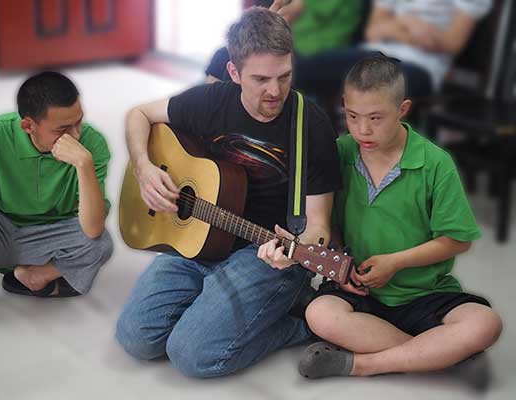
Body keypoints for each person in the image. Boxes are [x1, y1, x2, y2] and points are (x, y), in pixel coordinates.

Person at [116, 7, 342, 378]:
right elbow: (138, 115)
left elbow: (319, 227)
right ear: (234, 73)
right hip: (199, 240)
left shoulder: (310, 125)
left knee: (192, 356)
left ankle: (304, 321)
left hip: (266, 253)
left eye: (285, 76)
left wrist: (296, 250)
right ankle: (229, 306)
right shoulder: (211, 101)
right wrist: (144, 168)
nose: (275, 90)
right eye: (261, 79)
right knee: (136, 337)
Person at [295, 56, 502, 379]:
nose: (363, 129)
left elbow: (457, 240)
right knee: (320, 314)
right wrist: (341, 265)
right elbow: (329, 225)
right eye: (352, 116)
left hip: (425, 293)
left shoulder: (435, 163)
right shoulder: (339, 152)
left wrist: (396, 262)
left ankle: (364, 365)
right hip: (361, 291)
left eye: (376, 118)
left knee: (485, 323)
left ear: (403, 109)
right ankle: (442, 357)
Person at [0, 71, 114, 329]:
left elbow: (92, 229)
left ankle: (34, 276)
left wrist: (84, 163)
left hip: (52, 237)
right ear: (28, 126)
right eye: (62, 129)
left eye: (78, 122)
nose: (76, 135)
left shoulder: (92, 144)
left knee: (101, 242)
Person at [294, 0, 493, 102]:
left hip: (420, 65)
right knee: (297, 72)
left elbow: (452, 42)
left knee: (366, 87)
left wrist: (394, 27)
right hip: (373, 52)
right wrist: (410, 26)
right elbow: (373, 31)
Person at [205, 0, 364, 83]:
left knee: (226, 58)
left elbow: (283, 16)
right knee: (224, 57)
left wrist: (271, 16)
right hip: (291, 45)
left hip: (311, 52)